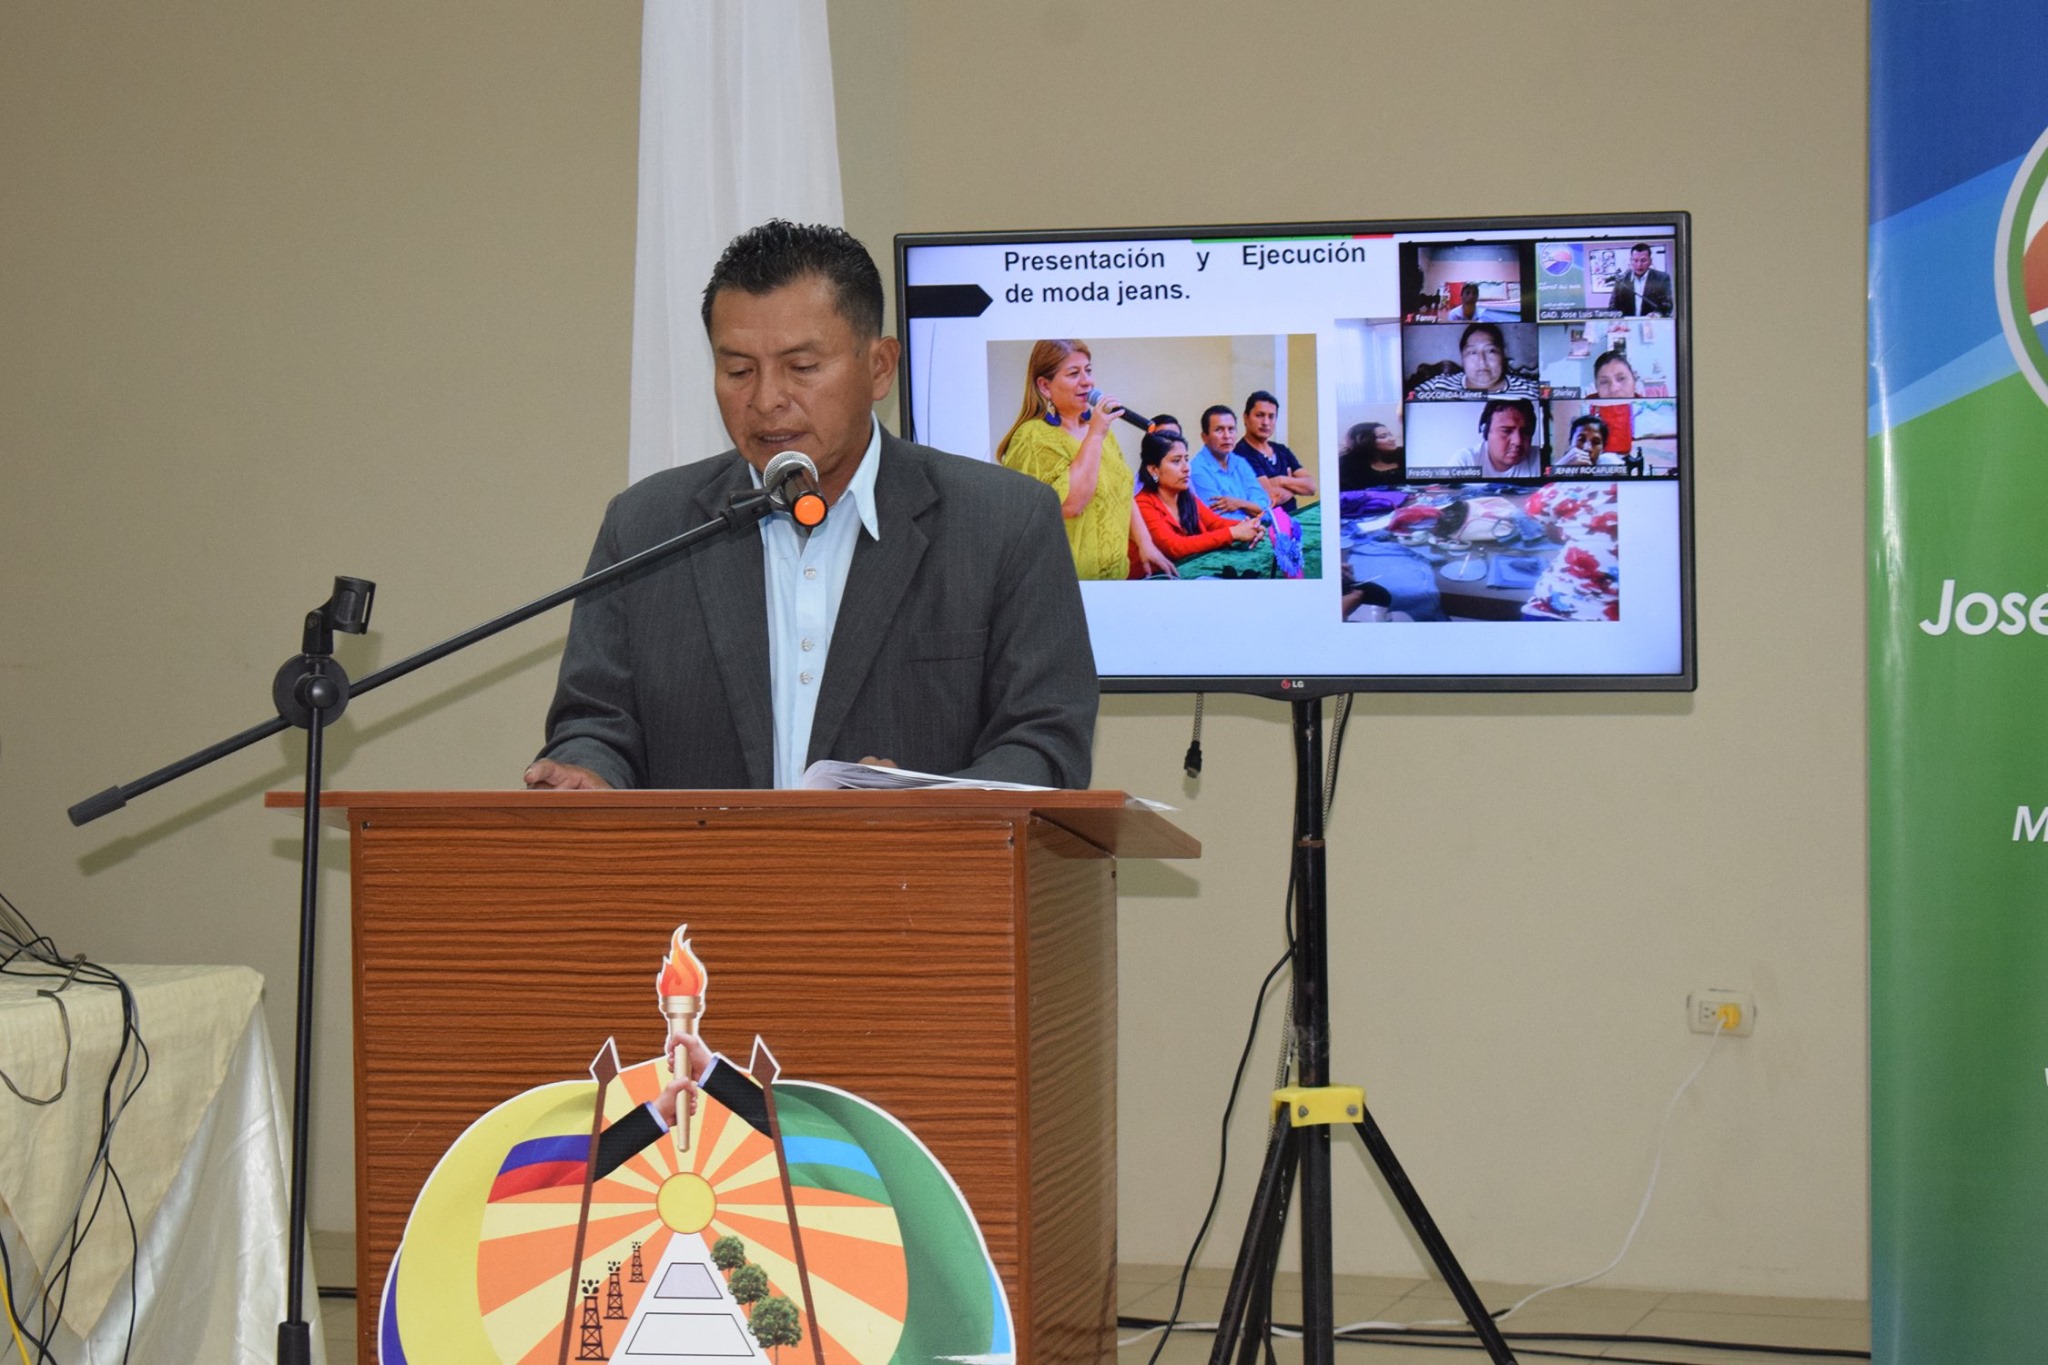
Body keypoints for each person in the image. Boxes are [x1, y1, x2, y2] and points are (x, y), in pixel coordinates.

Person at [526, 221, 1098, 792]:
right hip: (702, 855)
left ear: (879, 367)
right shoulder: (647, 526)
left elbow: (1045, 745)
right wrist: (586, 773)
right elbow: (596, 724)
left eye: (801, 368)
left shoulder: (1004, 522)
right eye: (738, 371)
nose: (766, 399)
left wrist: (926, 805)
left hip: (916, 856)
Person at [996, 340, 1175, 580]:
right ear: (1045, 386)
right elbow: (1070, 504)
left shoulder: (1099, 430)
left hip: (1113, 577)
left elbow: (1120, 490)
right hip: (1064, 580)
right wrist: (1096, 434)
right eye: (1073, 374)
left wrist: (1145, 543)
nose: (1087, 381)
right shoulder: (1033, 437)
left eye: (1088, 371)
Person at [1134, 431, 1264, 562]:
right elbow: (1175, 547)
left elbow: (1215, 523)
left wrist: (1250, 526)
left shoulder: (1185, 496)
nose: (1186, 468)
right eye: (1176, 461)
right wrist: (1233, 533)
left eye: (1186, 459)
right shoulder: (1142, 505)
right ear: (1154, 470)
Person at [1234, 390, 1317, 511]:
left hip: (1291, 518)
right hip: (1265, 521)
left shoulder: (1281, 450)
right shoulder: (1241, 454)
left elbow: (1311, 486)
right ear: (1246, 418)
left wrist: (1280, 480)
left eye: (1271, 416)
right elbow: (1268, 498)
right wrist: (1294, 486)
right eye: (1259, 415)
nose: (1266, 422)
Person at [1410, 323, 1541, 398]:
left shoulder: (1531, 391)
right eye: (1472, 352)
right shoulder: (1437, 386)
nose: (1482, 361)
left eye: (1490, 351)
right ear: (1462, 357)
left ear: (1503, 354)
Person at [1187, 406, 1273, 521]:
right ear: (1204, 437)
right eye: (1219, 430)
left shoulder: (1239, 462)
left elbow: (1266, 508)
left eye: (1231, 429)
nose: (1227, 436)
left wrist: (1239, 504)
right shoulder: (1198, 470)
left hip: (1254, 528)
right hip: (1232, 532)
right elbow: (1219, 519)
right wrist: (1253, 511)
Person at [1449, 399, 1541, 478]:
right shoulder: (1466, 461)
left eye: (1525, 431)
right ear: (1486, 431)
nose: (1518, 441)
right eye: (1506, 431)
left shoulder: (1541, 458)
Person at [1608, 243, 1673, 317]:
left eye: (1643, 260)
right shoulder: (1621, 280)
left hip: (1652, 322)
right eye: (1635, 260)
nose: (1639, 265)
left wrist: (1658, 314)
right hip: (1626, 323)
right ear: (1631, 261)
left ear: (1650, 261)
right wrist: (1616, 316)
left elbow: (1667, 304)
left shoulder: (1662, 278)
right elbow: (1612, 306)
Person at [1337, 421, 1404, 488]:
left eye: (1391, 435)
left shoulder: (1402, 454)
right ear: (1365, 441)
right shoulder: (1348, 463)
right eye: (1383, 436)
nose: (1393, 439)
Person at [1550, 414, 1623, 470]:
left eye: (1595, 442)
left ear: (1603, 449)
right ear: (1570, 442)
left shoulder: (1610, 464)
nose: (1587, 448)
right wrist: (1560, 467)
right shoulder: (1562, 465)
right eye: (1581, 440)